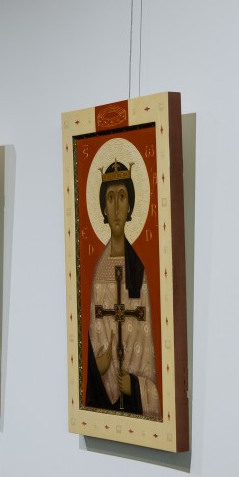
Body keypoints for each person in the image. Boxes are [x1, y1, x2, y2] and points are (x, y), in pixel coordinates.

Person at [85, 160, 160, 418]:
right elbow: (91, 340)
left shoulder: (138, 273)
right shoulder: (98, 273)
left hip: (130, 398)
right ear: (103, 209)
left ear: (130, 206)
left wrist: (134, 386)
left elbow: (148, 364)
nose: (116, 208)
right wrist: (98, 366)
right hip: (103, 397)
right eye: (110, 198)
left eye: (122, 196)